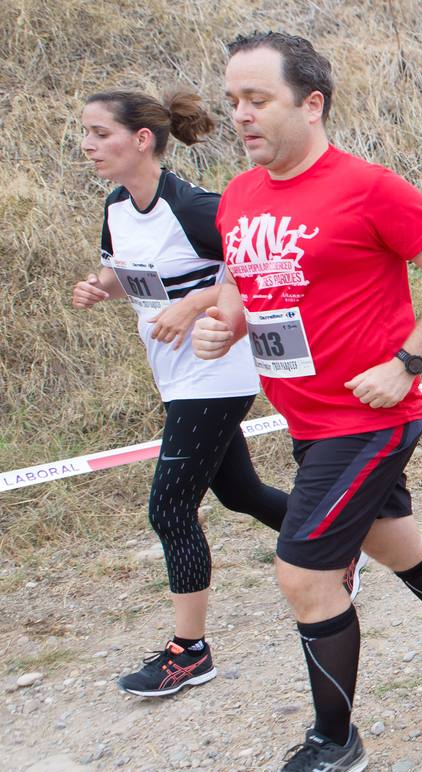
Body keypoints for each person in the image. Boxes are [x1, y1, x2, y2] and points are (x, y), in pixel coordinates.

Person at [191, 32, 422, 772]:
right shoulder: (238, 195)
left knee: (305, 575)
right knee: (394, 541)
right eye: (233, 100)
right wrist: (224, 320)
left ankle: (334, 743)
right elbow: (246, 276)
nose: (240, 114)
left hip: (367, 420)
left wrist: (407, 359)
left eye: (257, 99)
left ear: (312, 102)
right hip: (307, 418)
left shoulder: (367, 187)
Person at [74, 89, 293, 699]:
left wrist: (195, 303)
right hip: (172, 375)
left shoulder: (197, 207)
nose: (88, 146)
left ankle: (190, 650)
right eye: (85, 133)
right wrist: (100, 288)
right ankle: (338, 544)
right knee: (240, 492)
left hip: (217, 370)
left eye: (99, 133)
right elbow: (128, 274)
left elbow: (253, 274)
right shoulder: (119, 206)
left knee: (169, 508)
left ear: (141, 139)